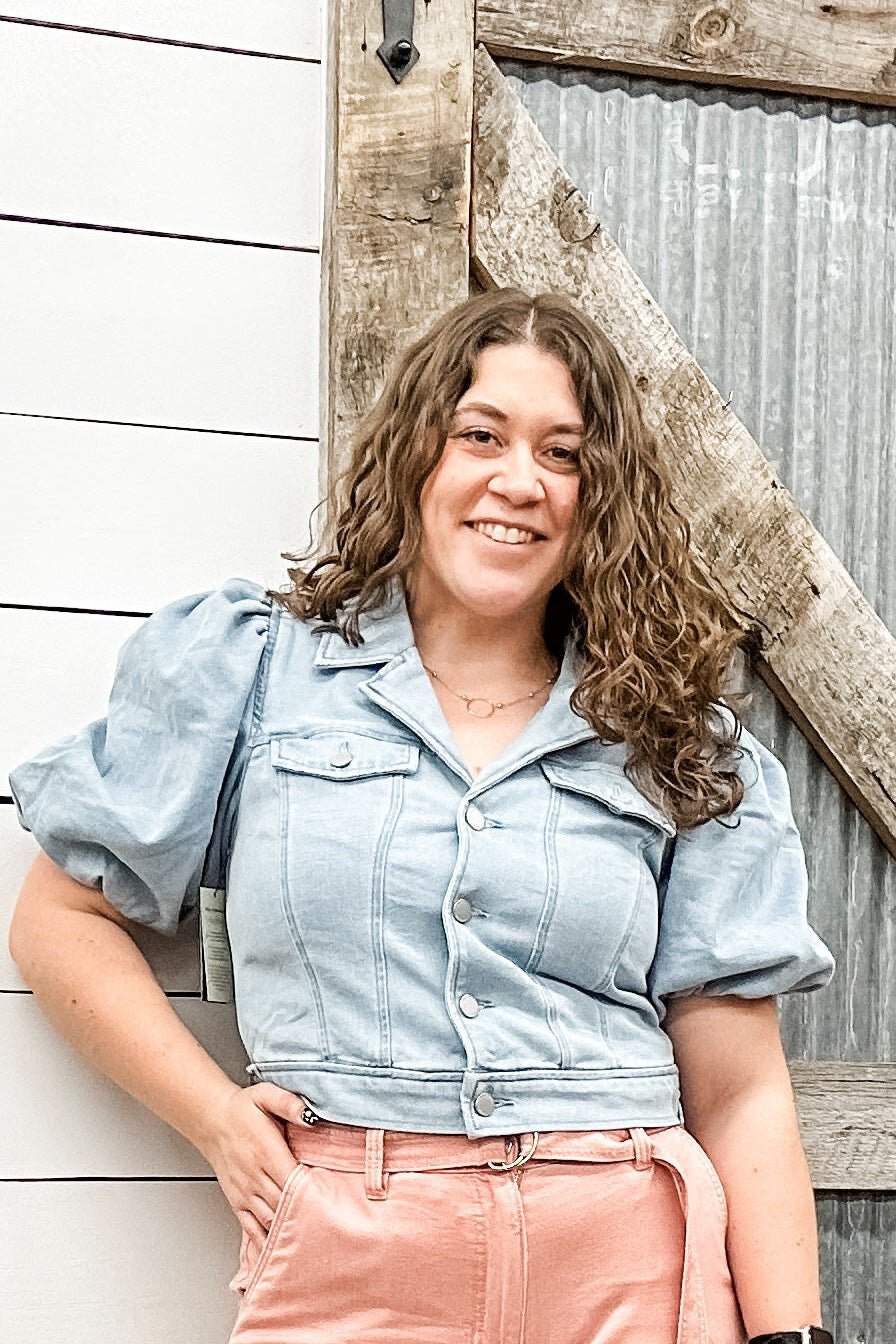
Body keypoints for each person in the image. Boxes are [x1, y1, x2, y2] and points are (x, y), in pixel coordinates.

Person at [8, 288, 835, 1344]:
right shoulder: (254, 671)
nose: (519, 481)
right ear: (415, 452)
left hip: (629, 1257)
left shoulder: (673, 736)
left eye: (564, 454)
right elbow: (60, 919)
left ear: (600, 497)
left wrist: (790, 1337)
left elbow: (739, 1091)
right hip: (349, 1252)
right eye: (480, 434)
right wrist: (215, 1119)